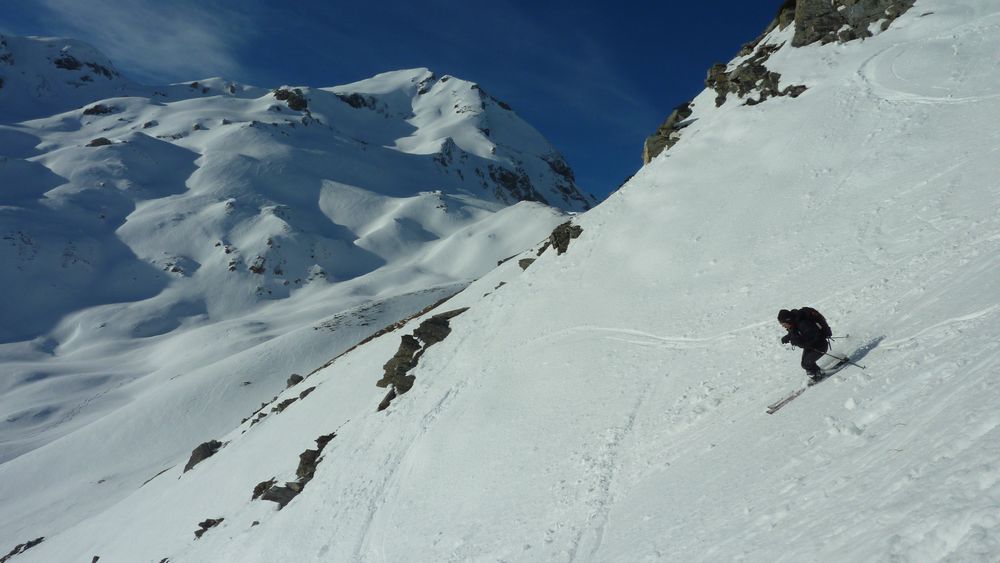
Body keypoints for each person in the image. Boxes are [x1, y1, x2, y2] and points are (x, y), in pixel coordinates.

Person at [778, 308, 831, 381]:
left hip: (820, 346)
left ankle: (817, 375)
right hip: (812, 346)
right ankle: (817, 373)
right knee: (805, 364)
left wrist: (798, 342)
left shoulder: (803, 324)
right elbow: (794, 333)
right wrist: (786, 338)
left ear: (788, 320)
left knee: (806, 364)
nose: (783, 326)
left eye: (784, 324)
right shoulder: (794, 323)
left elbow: (815, 338)